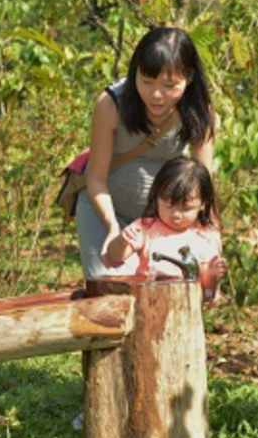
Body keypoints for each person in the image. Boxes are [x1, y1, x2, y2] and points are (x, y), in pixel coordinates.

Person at [75, 27, 217, 283]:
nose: (156, 94)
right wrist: (112, 228)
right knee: (112, 294)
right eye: (146, 81)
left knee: (161, 294)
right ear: (135, 72)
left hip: (163, 220)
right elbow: (96, 178)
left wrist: (211, 237)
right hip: (107, 214)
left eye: (169, 85)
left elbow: (203, 180)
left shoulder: (199, 111)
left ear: (189, 78)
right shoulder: (111, 104)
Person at [105, 157, 227, 303]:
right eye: (168, 206)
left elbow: (206, 288)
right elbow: (114, 257)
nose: (176, 215)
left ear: (203, 204)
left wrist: (211, 277)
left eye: (186, 208)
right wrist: (121, 241)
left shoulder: (205, 236)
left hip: (186, 308)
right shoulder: (146, 228)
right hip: (148, 304)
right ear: (157, 197)